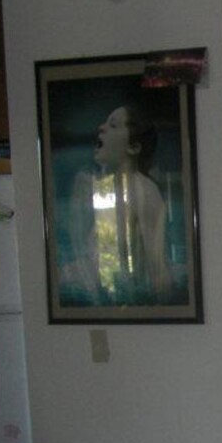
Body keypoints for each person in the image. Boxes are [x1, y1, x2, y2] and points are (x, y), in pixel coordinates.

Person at [65, 104, 170, 305]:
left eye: (112, 125)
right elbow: (94, 248)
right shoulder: (102, 187)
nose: (101, 127)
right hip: (103, 296)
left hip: (125, 301)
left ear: (133, 147)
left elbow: (157, 265)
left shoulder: (144, 190)